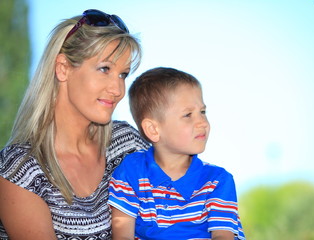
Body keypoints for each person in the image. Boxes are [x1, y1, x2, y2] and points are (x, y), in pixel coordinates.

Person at [0, 9, 150, 239]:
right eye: (105, 69)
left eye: (123, 74)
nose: (118, 90)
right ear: (63, 68)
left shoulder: (127, 144)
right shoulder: (19, 170)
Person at [108, 67, 246, 240]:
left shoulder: (217, 180)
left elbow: (222, 236)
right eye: (188, 115)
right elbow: (122, 236)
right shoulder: (130, 172)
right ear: (153, 129)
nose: (202, 122)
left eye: (202, 112)